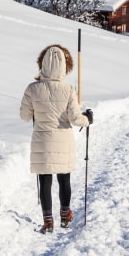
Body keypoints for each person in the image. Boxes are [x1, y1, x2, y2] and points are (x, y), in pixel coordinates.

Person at [19, 44, 93, 233]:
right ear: (63, 66)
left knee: (45, 180)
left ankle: (48, 221)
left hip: (42, 141)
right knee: (64, 179)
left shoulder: (32, 89)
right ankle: (65, 215)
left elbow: (25, 116)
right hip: (63, 142)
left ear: (42, 63)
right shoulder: (68, 90)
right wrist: (88, 119)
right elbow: (75, 119)